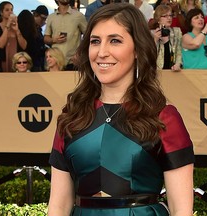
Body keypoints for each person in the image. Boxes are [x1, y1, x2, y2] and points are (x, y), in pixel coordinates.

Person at [48, 3, 194, 216]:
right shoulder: (72, 116)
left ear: (137, 49)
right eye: (95, 41)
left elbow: (181, 210)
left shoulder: (164, 117)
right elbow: (58, 206)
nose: (102, 52)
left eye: (115, 41)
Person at [44, 0, 87, 71]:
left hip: (73, 61)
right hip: (55, 63)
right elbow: (46, 38)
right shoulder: (51, 17)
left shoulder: (78, 15)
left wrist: (80, 52)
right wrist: (54, 40)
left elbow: (88, 35)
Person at [0, 1, 27, 72]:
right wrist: (7, 26)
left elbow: (24, 46)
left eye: (11, 9)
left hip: (17, 63)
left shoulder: (18, 27)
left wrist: (17, 30)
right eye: (7, 10)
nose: (10, 12)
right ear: (1, 13)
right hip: (3, 62)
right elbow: (0, 45)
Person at [151, 5, 183, 71]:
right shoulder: (151, 34)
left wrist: (178, 64)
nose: (169, 18)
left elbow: (179, 51)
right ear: (158, 19)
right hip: (157, 71)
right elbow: (148, 55)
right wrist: (155, 40)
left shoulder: (177, 32)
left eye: (170, 15)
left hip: (173, 70)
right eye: (165, 16)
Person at [32, 5, 49, 71]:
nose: (43, 22)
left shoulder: (38, 29)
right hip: (33, 61)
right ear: (36, 15)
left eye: (45, 19)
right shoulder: (30, 28)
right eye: (42, 18)